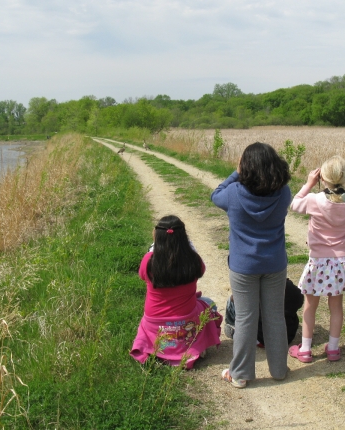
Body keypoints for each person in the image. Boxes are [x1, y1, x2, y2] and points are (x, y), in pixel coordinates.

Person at [212, 142, 291, 388]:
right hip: (275, 263)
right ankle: (279, 370)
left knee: (246, 318)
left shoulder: (233, 193)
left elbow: (215, 194)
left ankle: (240, 374)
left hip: (243, 265)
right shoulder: (284, 193)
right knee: (275, 316)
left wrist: (236, 172)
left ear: (246, 168)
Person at [288, 156, 345, 363]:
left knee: (310, 306)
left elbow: (294, 204)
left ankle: (305, 349)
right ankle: (333, 348)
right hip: (341, 262)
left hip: (318, 262)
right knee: (336, 307)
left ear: (323, 177)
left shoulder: (315, 199)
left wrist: (309, 183)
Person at [130, 215, 222, 370]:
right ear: (184, 236)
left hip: (155, 322)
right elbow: (201, 271)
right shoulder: (193, 260)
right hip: (186, 321)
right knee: (208, 303)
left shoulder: (149, 261)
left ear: (157, 236)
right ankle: (194, 346)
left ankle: (159, 349)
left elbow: (142, 276)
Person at [224, 278, 304, 346]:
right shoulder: (287, 285)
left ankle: (234, 328)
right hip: (287, 337)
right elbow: (300, 300)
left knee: (232, 300)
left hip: (261, 338)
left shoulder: (254, 287)